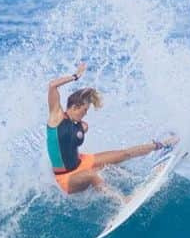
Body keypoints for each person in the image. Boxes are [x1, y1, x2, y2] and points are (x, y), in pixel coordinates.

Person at [46, 62, 175, 200]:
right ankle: (123, 200)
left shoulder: (81, 125)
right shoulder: (56, 117)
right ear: (75, 107)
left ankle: (163, 144)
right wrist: (76, 76)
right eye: (85, 111)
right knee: (91, 175)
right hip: (67, 177)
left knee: (124, 154)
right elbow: (52, 85)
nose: (85, 114)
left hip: (82, 162)